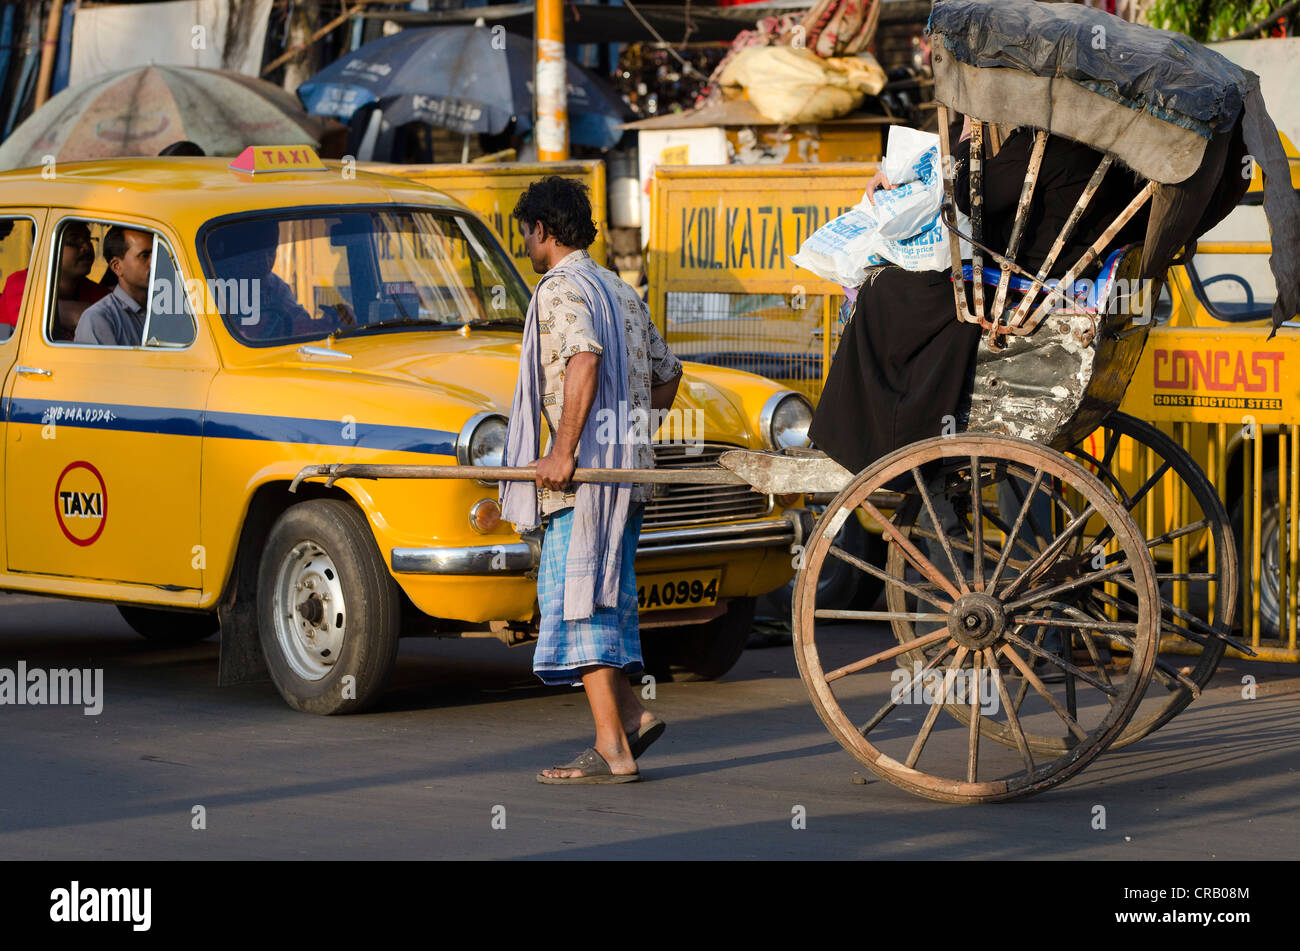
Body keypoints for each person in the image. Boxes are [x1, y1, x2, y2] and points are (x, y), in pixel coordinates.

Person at [809, 123, 1149, 474]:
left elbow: (971, 195)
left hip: (1022, 290)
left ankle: (871, 435)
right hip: (1064, 285)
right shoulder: (1127, 162)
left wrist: (964, 148)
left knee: (883, 288)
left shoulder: (1055, 146)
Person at [500, 176, 683, 784]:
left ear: (543, 231)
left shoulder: (560, 289)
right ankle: (630, 718)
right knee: (595, 597)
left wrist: (564, 449)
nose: (527, 244)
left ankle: (613, 747)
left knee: (578, 603)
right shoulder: (618, 289)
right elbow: (667, 376)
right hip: (625, 477)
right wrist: (624, 431)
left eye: (527, 233)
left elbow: (583, 358)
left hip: (586, 484)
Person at [74, 227, 154, 347]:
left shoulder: (168, 308)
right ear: (117, 267)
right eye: (145, 255)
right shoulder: (98, 319)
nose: (154, 261)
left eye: (158, 253)